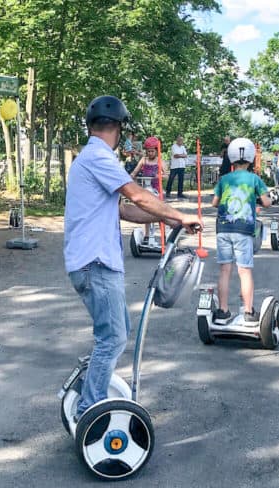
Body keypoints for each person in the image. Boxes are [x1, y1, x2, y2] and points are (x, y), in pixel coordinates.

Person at [64, 95, 202, 421]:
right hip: (95, 263)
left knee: (117, 331)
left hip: (92, 262)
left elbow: (124, 209)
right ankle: (89, 412)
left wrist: (166, 220)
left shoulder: (90, 158)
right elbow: (137, 195)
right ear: (117, 126)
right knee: (111, 338)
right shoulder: (99, 156)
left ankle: (90, 398)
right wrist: (179, 215)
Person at [211, 137, 271, 324]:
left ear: (231, 157)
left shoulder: (224, 179)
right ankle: (248, 311)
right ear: (252, 157)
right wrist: (261, 200)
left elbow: (214, 202)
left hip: (223, 229)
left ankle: (222, 311)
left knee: (224, 270)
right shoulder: (255, 179)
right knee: (244, 271)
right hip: (243, 230)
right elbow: (267, 202)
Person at [130, 135, 167, 238]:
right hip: (146, 189)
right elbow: (135, 171)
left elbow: (166, 175)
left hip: (156, 189)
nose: (150, 153)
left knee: (159, 212)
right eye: (149, 151)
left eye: (152, 151)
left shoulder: (160, 161)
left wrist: (160, 176)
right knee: (146, 211)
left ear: (156, 151)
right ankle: (147, 235)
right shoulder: (144, 160)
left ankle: (163, 234)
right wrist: (132, 176)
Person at [166, 134, 188, 199]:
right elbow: (175, 156)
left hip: (182, 165)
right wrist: (182, 155)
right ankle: (168, 192)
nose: (181, 141)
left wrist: (180, 155)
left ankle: (180, 193)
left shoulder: (183, 147)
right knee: (171, 179)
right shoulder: (173, 146)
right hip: (175, 166)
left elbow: (186, 155)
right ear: (177, 140)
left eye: (182, 140)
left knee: (181, 180)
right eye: (180, 140)